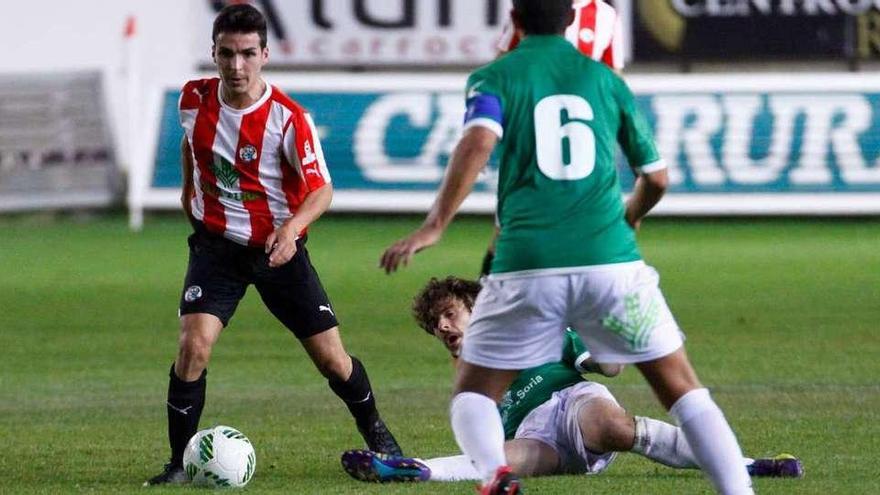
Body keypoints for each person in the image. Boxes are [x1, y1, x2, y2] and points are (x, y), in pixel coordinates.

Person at [379, 1, 755, 493]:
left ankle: (495, 475)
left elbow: (477, 141)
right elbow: (657, 177)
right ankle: (740, 488)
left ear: (514, 19)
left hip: (526, 264)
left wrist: (435, 224)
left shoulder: (496, 75)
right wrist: (632, 215)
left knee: (472, 393)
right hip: (610, 262)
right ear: (569, 21)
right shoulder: (606, 81)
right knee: (685, 391)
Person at [144, 4, 401, 486]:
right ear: (213, 54)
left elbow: (321, 189)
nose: (236, 66)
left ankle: (379, 436)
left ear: (264, 54)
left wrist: (291, 229)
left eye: (246, 54)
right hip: (217, 250)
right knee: (192, 347)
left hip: (277, 252)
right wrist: (189, 198)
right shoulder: (192, 100)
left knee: (332, 360)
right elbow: (189, 145)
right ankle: (179, 463)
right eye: (226, 54)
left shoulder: (288, 119)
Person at [340, 277, 804, 484]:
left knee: (614, 428)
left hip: (574, 401)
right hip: (538, 437)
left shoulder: (530, 328)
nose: (442, 328)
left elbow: (609, 367)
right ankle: (415, 469)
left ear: (477, 307)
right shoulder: (468, 377)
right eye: (435, 326)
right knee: (499, 460)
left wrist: (610, 349)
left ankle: (745, 465)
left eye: (448, 314)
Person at [479, 0, 625, 277]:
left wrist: (611, 137)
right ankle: (483, 304)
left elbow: (614, 81)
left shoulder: (606, 16)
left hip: (582, 145)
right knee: (508, 229)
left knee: (584, 230)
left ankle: (565, 312)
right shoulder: (535, 10)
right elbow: (500, 70)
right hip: (529, 139)